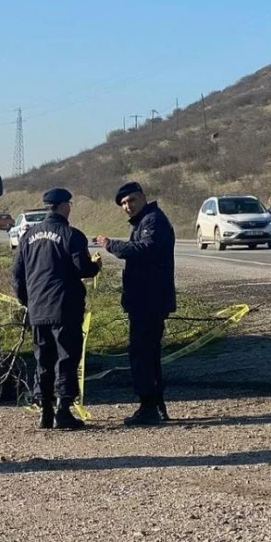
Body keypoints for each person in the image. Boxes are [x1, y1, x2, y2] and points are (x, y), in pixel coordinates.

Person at [11, 188, 101, 429]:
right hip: (64, 307)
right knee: (66, 357)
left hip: (38, 309)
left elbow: (17, 275)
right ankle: (63, 410)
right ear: (63, 206)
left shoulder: (27, 236)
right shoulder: (72, 235)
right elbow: (81, 267)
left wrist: (26, 301)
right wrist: (95, 267)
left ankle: (45, 411)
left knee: (43, 359)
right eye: (69, 204)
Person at [95, 182, 176, 426]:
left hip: (149, 301)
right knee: (149, 355)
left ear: (142, 198)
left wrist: (111, 245)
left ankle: (148, 407)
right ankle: (156, 405)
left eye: (131, 200)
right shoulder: (145, 221)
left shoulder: (153, 221)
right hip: (145, 300)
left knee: (142, 354)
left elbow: (144, 249)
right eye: (123, 204)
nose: (128, 206)